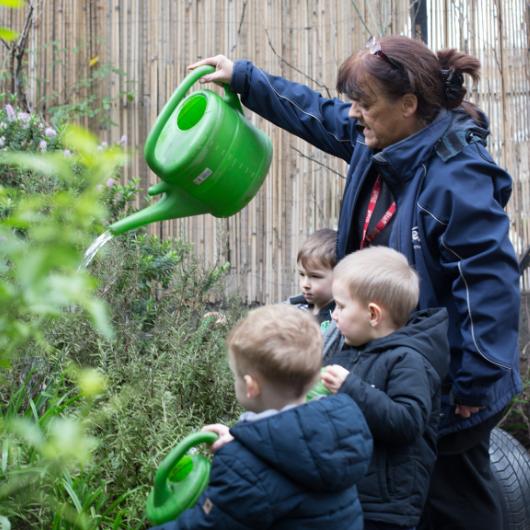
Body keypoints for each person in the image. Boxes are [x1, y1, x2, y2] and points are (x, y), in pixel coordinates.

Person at [188, 35, 521, 529]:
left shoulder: (457, 178)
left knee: (452, 497)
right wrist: (246, 79)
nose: (352, 114)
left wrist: (474, 381)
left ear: (408, 105)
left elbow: (490, 285)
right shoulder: (382, 143)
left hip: (450, 376)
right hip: (397, 360)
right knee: (400, 487)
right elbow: (316, 114)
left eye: (364, 103)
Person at [150, 304, 373, 530]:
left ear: (251, 386)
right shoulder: (337, 431)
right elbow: (291, 452)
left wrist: (241, 455)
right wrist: (243, 443)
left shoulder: (242, 469)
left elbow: (205, 525)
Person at [319, 246, 449, 530]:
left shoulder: (409, 361)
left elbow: (406, 422)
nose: (335, 316)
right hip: (347, 494)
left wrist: (350, 387)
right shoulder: (347, 353)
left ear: (373, 314)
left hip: (386, 506)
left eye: (341, 306)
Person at [287, 228, 337, 330]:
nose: (305, 284)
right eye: (302, 274)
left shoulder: (336, 319)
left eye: (315, 276)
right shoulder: (294, 306)